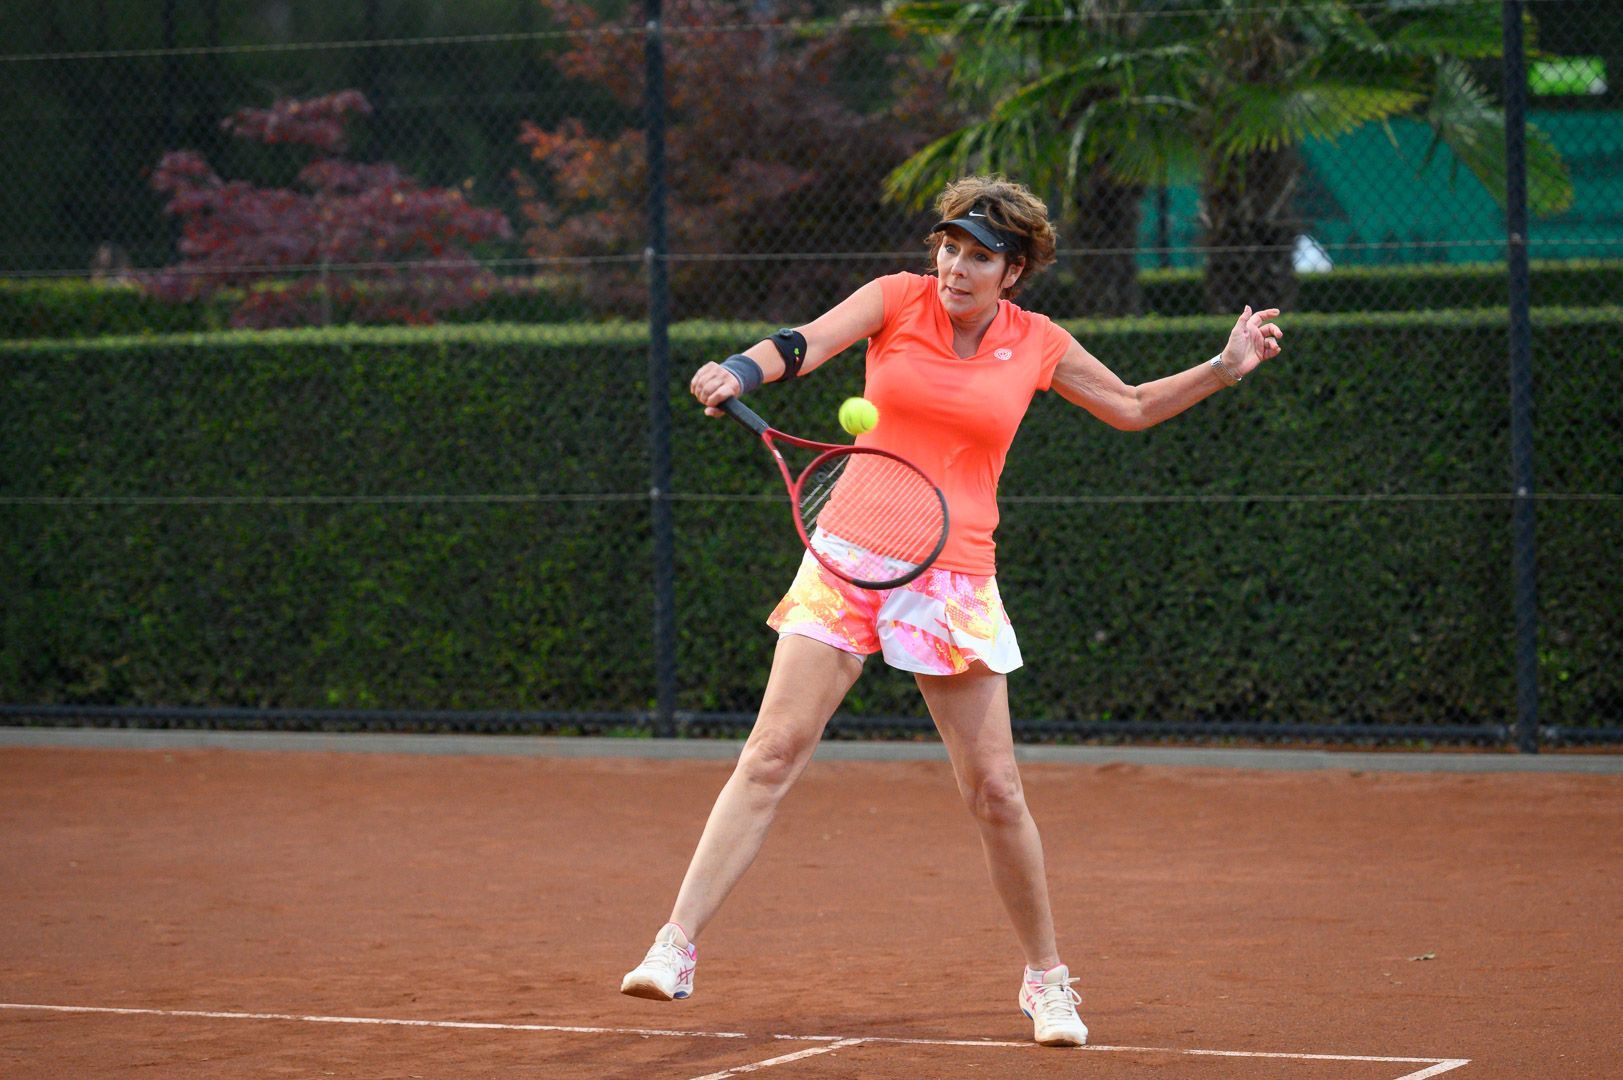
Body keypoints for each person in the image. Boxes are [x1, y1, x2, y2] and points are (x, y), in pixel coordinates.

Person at [619, 175, 1284, 1047]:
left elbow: (1126, 407)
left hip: (953, 577)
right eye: (948, 248)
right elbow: (801, 344)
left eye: (978, 257)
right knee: (771, 750)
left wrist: (1222, 369)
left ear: (1014, 272)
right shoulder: (894, 300)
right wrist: (737, 370)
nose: (954, 268)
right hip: (847, 556)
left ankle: (1046, 980)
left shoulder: (1038, 341)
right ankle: (674, 946)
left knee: (996, 792)